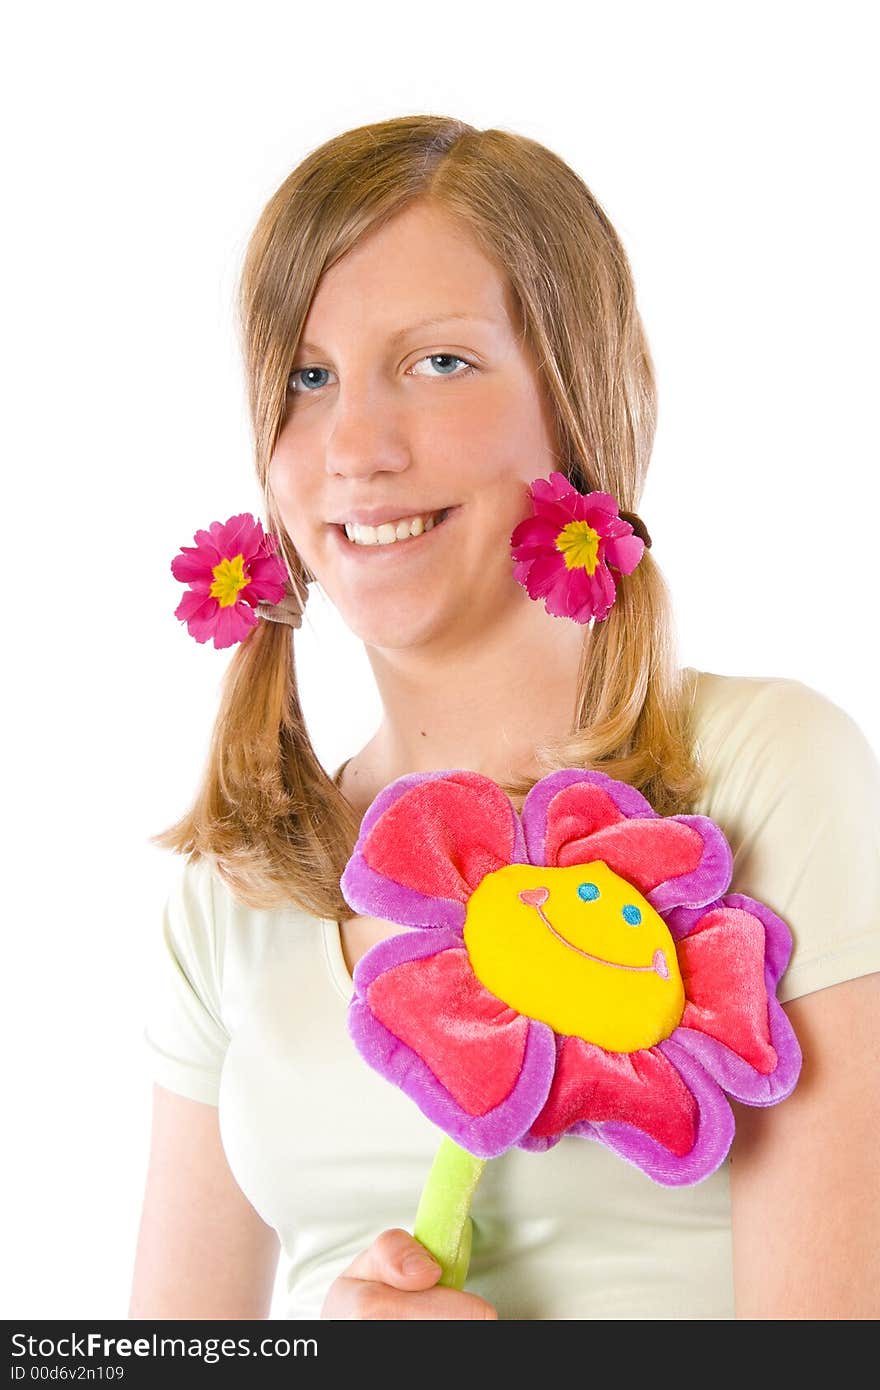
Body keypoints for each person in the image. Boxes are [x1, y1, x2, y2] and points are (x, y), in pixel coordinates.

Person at [129, 114, 880, 1321]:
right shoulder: (240, 885)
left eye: (439, 364)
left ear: (575, 404)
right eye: (307, 378)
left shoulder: (766, 774)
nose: (357, 449)